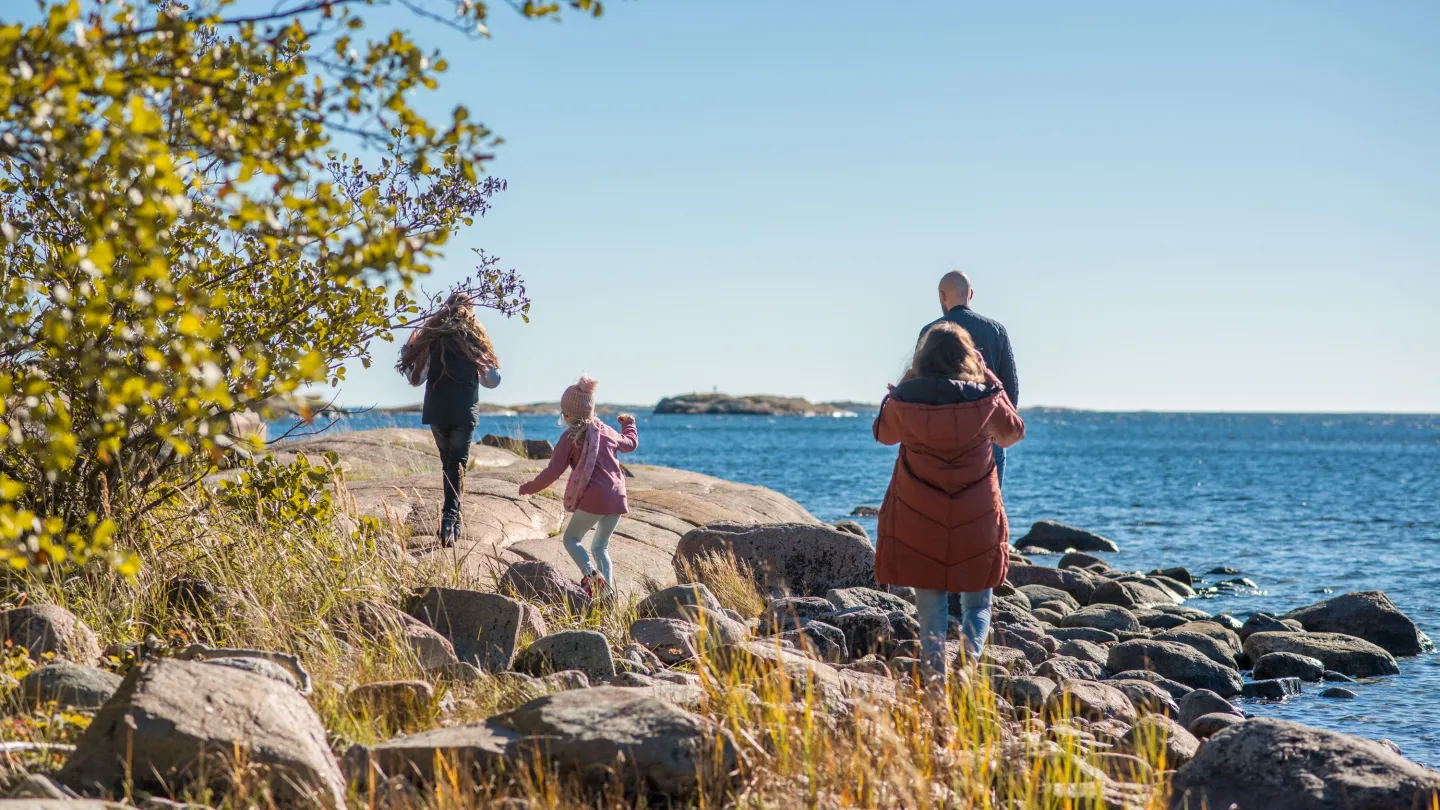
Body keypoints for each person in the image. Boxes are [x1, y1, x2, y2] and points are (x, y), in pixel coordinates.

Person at [874, 321, 1025, 678]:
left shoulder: (904, 401)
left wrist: (906, 380)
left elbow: (882, 434)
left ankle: (935, 680)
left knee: (930, 609)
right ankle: (967, 664)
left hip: (919, 517)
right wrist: (992, 379)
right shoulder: (985, 399)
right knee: (978, 603)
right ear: (968, 359)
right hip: (977, 517)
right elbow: (1013, 433)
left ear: (922, 358)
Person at [518, 375, 638, 598]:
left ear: (568, 415)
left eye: (563, 413)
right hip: (617, 498)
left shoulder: (570, 438)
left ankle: (593, 580)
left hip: (594, 498)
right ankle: (608, 596)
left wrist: (529, 487)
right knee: (600, 548)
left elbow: (553, 471)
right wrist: (629, 423)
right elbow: (630, 444)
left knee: (571, 540)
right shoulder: (607, 431)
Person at [396, 292, 502, 546]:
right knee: (456, 467)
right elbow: (492, 381)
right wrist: (491, 361)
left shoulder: (433, 339)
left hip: (437, 411)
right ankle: (450, 521)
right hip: (464, 412)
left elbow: (415, 378)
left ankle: (452, 522)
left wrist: (406, 351)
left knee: (449, 465)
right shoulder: (475, 340)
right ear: (470, 310)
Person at [919, 271, 1020, 485]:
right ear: (970, 295)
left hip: (940, 435)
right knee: (988, 507)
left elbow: (919, 386)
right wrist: (1003, 429)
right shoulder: (996, 330)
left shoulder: (929, 331)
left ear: (941, 296)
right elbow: (1010, 387)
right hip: (987, 432)